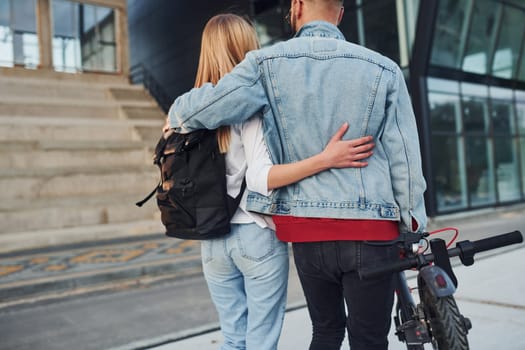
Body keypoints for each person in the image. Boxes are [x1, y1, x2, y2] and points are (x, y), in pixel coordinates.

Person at [167, 1, 428, 349]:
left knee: (326, 332)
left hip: (308, 234)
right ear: (340, 13)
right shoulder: (385, 69)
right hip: (372, 232)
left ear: (297, 7)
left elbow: (203, 108)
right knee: (369, 339)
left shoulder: (265, 64)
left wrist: (177, 116)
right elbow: (406, 161)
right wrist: (414, 227)